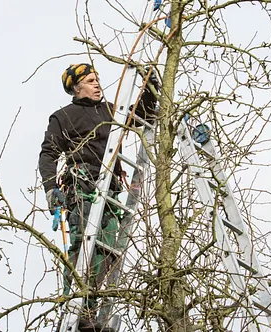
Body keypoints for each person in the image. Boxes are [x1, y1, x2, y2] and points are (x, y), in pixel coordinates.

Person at [39, 63, 158, 332]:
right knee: (83, 247)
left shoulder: (108, 111)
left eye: (97, 80)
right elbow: (48, 154)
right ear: (76, 86)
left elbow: (142, 117)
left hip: (111, 190)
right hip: (83, 189)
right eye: (91, 81)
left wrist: (149, 87)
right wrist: (50, 188)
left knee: (107, 249)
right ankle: (75, 307)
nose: (97, 84)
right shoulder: (63, 117)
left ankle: (89, 308)